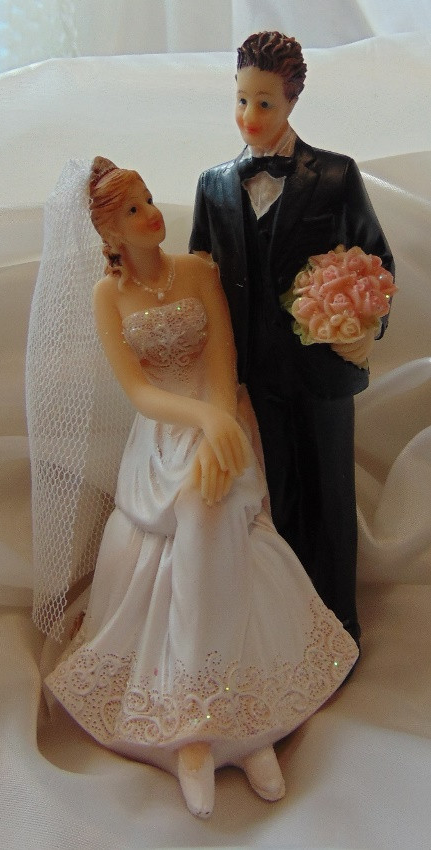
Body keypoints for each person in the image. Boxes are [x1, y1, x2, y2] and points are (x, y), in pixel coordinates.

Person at [28, 157, 358, 819]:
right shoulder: (106, 297)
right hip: (164, 433)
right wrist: (199, 422)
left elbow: (221, 363)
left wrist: (219, 426)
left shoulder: (198, 271)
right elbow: (140, 391)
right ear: (109, 233)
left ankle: (233, 727)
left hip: (223, 419)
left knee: (210, 508)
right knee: (190, 508)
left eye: (149, 199)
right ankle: (206, 731)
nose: (151, 214)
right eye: (132, 211)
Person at [189, 31, 395, 647]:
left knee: (328, 497)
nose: (250, 116)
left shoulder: (334, 175)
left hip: (319, 372)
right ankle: (282, 636)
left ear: (291, 101)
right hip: (247, 376)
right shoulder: (213, 185)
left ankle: (338, 630)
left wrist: (364, 328)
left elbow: (376, 261)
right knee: (268, 502)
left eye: (265, 103)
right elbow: (201, 276)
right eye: (241, 100)